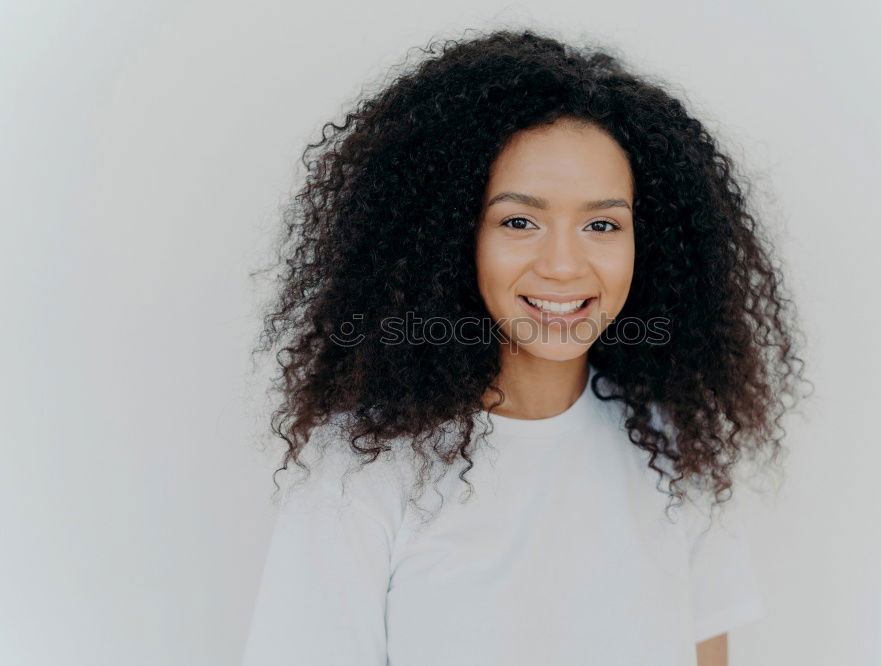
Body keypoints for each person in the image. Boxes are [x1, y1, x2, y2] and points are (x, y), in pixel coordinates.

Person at [243, 27, 809, 666]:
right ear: (452, 236)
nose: (564, 265)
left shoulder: (672, 445)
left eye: (602, 224)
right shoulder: (359, 470)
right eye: (519, 221)